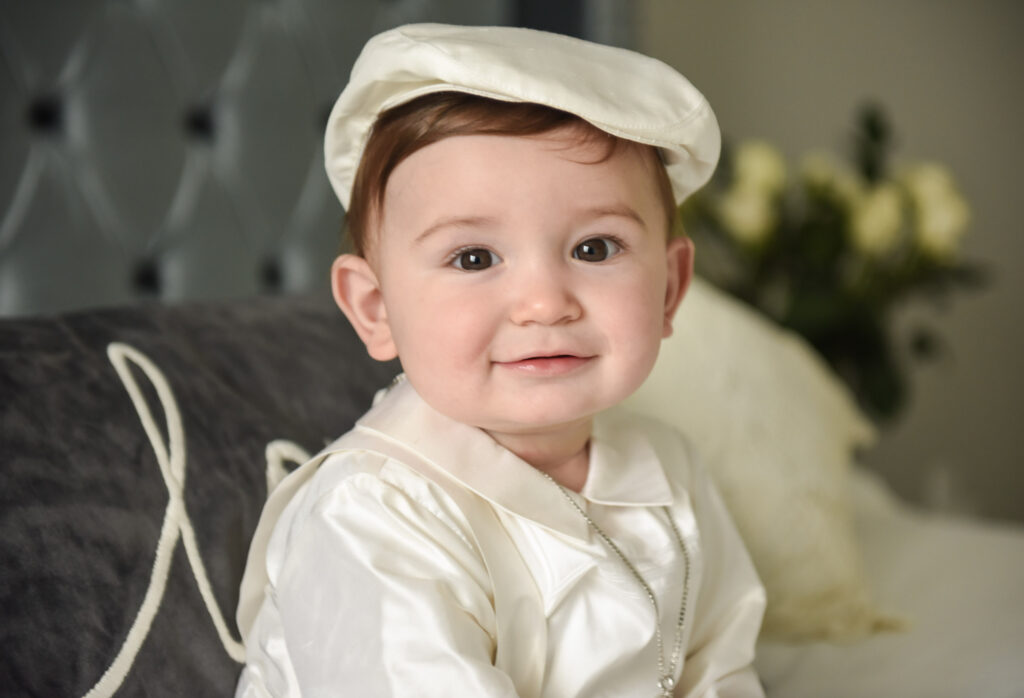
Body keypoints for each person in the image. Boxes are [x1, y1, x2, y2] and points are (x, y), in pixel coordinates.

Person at [235, 23, 766, 697]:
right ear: (375, 309)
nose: (544, 304)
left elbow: (722, 661)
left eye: (595, 249)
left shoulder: (672, 469)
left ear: (669, 287)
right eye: (474, 258)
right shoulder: (370, 515)